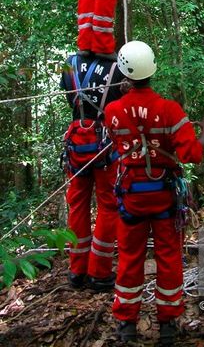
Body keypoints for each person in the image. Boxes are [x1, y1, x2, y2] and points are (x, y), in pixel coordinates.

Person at [103, 40, 204, 345]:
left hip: (131, 196)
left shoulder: (113, 110)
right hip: (165, 197)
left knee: (129, 258)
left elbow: (119, 141)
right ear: (152, 68)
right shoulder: (170, 110)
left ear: (125, 75)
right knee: (168, 257)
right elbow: (191, 154)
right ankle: (167, 324)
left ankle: (126, 324)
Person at [60, 51, 125, 290]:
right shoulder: (118, 68)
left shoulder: (69, 63)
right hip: (105, 145)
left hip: (77, 142)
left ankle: (77, 270)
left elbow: (68, 95)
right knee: (108, 206)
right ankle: (100, 272)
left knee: (77, 204)